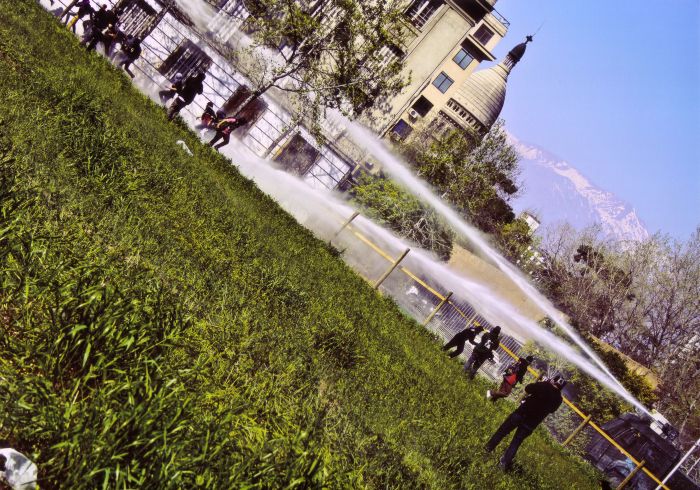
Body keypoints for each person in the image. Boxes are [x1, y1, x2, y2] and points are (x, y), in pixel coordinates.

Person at [485, 375, 566, 470]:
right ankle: (503, 464)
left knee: (502, 431)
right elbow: (552, 410)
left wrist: (543, 384)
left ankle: (488, 448)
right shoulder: (559, 399)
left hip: (521, 413)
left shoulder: (544, 385)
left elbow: (528, 388)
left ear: (553, 380)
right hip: (532, 423)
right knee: (516, 442)